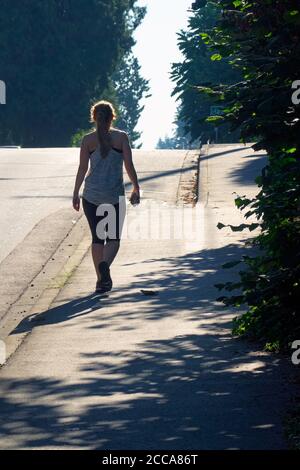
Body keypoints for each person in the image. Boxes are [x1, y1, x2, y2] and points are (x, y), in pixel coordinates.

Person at [72, 100, 140, 293]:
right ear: (112, 117)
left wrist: (76, 192)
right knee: (113, 239)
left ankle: (101, 280)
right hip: (113, 196)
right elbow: (129, 165)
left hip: (91, 196)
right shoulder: (121, 138)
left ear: (94, 117)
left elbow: (82, 168)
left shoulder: (87, 140)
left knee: (97, 238)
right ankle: (105, 267)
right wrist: (136, 187)